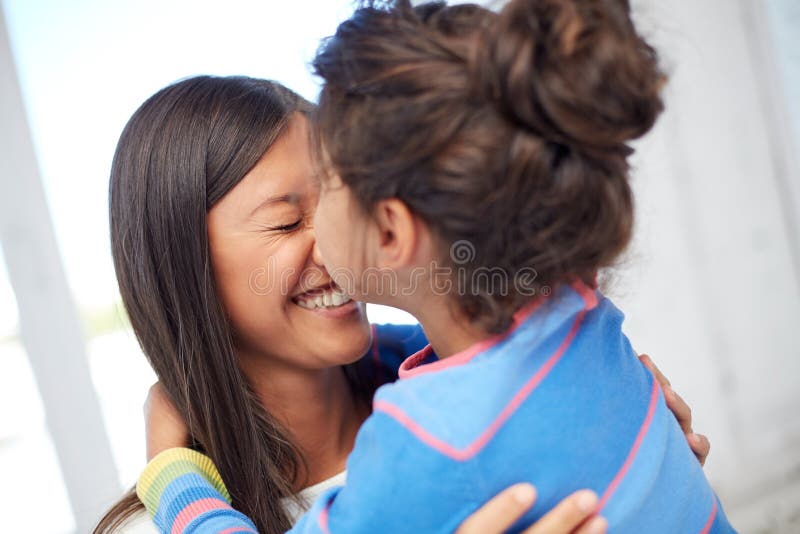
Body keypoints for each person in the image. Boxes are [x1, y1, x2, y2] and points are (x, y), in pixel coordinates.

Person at [131, 0, 730, 533]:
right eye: (287, 222)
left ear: (391, 228)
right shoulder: (576, 308)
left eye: (332, 187)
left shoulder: (419, 445)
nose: (321, 238)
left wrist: (173, 476)